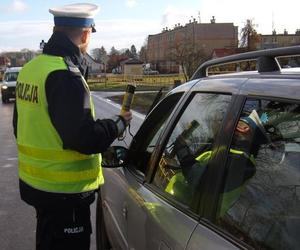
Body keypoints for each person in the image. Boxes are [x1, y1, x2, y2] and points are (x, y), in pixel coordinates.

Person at [13, 3, 132, 250]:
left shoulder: (30, 69)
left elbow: (19, 126)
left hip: (39, 189)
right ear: (86, 34)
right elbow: (84, 138)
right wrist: (118, 125)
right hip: (65, 196)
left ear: (56, 28)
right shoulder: (65, 74)